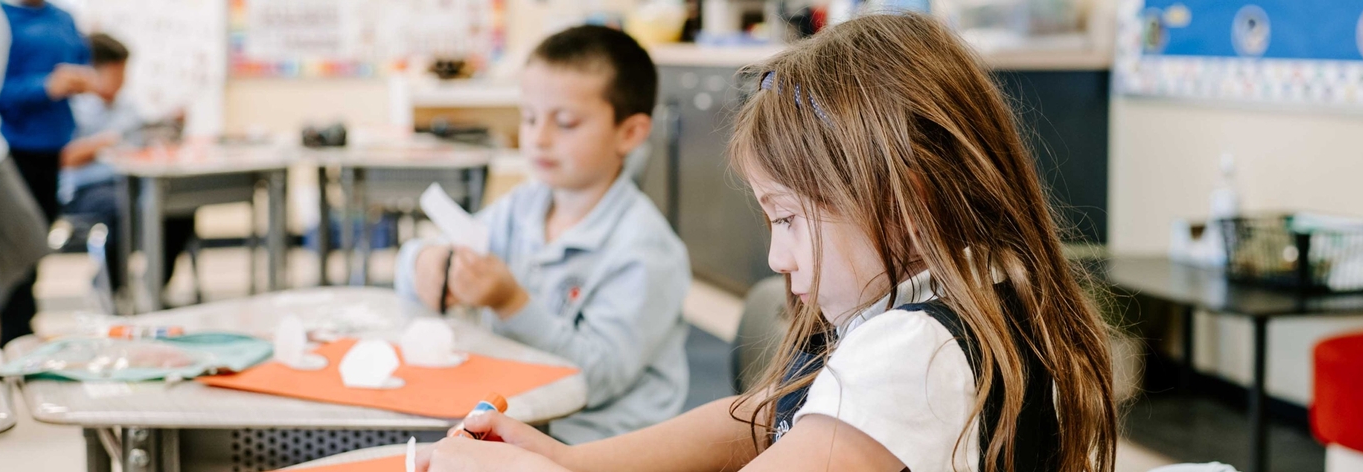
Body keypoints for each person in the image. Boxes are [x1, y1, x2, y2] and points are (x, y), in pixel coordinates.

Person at [417, 13, 1118, 472]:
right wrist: (568, 461)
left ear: (907, 199)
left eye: (786, 219)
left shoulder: (913, 354)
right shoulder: (965, 291)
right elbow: (767, 416)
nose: (778, 257)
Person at [393, 26, 691, 444]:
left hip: (599, 440)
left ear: (629, 133)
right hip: (519, 410)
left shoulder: (645, 250)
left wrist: (511, 303)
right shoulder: (524, 206)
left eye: (565, 122)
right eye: (529, 117)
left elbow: (598, 379)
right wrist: (426, 263)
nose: (539, 138)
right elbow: (428, 258)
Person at [58, 32, 194, 300]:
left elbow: (140, 138)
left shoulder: (127, 105)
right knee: (123, 207)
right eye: (116, 74)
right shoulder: (74, 106)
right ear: (93, 72)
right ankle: (115, 288)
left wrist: (168, 124)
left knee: (179, 208)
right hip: (87, 189)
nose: (123, 81)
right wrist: (103, 142)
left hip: (131, 181)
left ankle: (155, 287)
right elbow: (64, 158)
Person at [0, 0, 93, 344]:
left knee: (36, 244)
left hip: (52, 149)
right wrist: (44, 87)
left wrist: (81, 80)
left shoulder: (63, 19)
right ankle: (11, 332)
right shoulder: (1, 18)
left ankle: (21, 328)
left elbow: (83, 64)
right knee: (17, 245)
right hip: (8, 151)